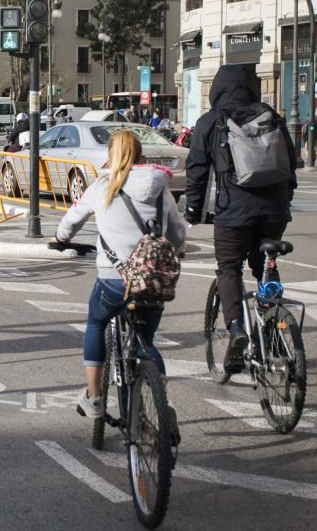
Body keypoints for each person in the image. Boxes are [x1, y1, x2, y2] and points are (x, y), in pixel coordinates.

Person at [53, 130, 185, 422]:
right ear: (141, 155)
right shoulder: (159, 186)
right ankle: (162, 406)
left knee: (96, 322)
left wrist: (61, 238)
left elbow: (71, 220)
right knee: (146, 343)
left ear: (111, 156)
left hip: (113, 281)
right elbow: (177, 232)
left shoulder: (102, 185)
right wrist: (177, 249)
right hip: (152, 281)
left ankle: (95, 398)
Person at [184, 65, 297, 373]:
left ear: (217, 89)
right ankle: (272, 326)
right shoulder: (271, 115)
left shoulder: (210, 122)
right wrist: (285, 200)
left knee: (230, 268)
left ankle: (236, 329)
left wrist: (193, 210)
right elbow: (291, 159)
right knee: (265, 264)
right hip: (274, 211)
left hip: (233, 211)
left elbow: (196, 170)